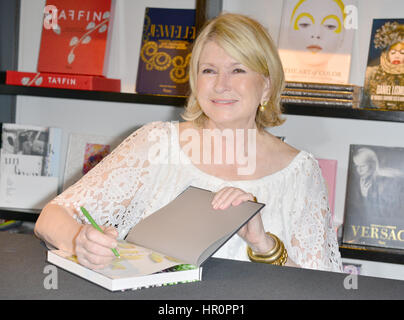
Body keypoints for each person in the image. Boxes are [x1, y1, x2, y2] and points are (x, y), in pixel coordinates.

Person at [34, 13, 342, 272]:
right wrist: (80, 242)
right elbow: (51, 216)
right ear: (195, 81)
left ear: (266, 86)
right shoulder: (154, 143)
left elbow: (321, 287)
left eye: (237, 70)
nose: (221, 85)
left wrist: (264, 245)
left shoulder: (300, 173)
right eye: (209, 70)